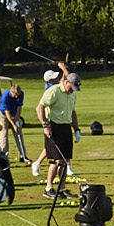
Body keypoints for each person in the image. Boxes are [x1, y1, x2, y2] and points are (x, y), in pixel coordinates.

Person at [36, 63, 78, 199]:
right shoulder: (53, 91)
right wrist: (45, 126)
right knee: (56, 160)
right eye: (72, 87)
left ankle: (62, 188)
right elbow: (39, 108)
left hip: (66, 127)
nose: (73, 90)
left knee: (66, 161)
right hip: (54, 127)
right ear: (66, 82)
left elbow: (72, 112)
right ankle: (48, 188)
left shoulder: (72, 94)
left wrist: (76, 129)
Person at [0, 82, 27, 162]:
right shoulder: (5, 97)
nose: (16, 96)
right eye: (15, 95)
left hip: (14, 113)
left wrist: (17, 120)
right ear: (11, 92)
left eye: (18, 95)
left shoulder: (21, 94)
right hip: (3, 114)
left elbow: (19, 107)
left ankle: (23, 156)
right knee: (4, 133)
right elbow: (7, 113)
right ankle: (4, 156)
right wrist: (13, 125)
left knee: (19, 134)